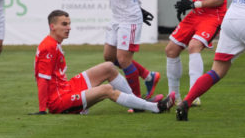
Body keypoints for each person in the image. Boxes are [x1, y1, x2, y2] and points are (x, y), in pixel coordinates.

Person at [30, 10, 175, 115]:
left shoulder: (53, 43)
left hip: (66, 88)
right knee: (106, 90)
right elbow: (43, 79)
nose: (69, 28)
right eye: (64, 24)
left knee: (109, 67)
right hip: (59, 101)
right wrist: (43, 110)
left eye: (69, 24)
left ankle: (136, 103)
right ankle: (155, 108)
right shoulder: (48, 46)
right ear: (52, 26)